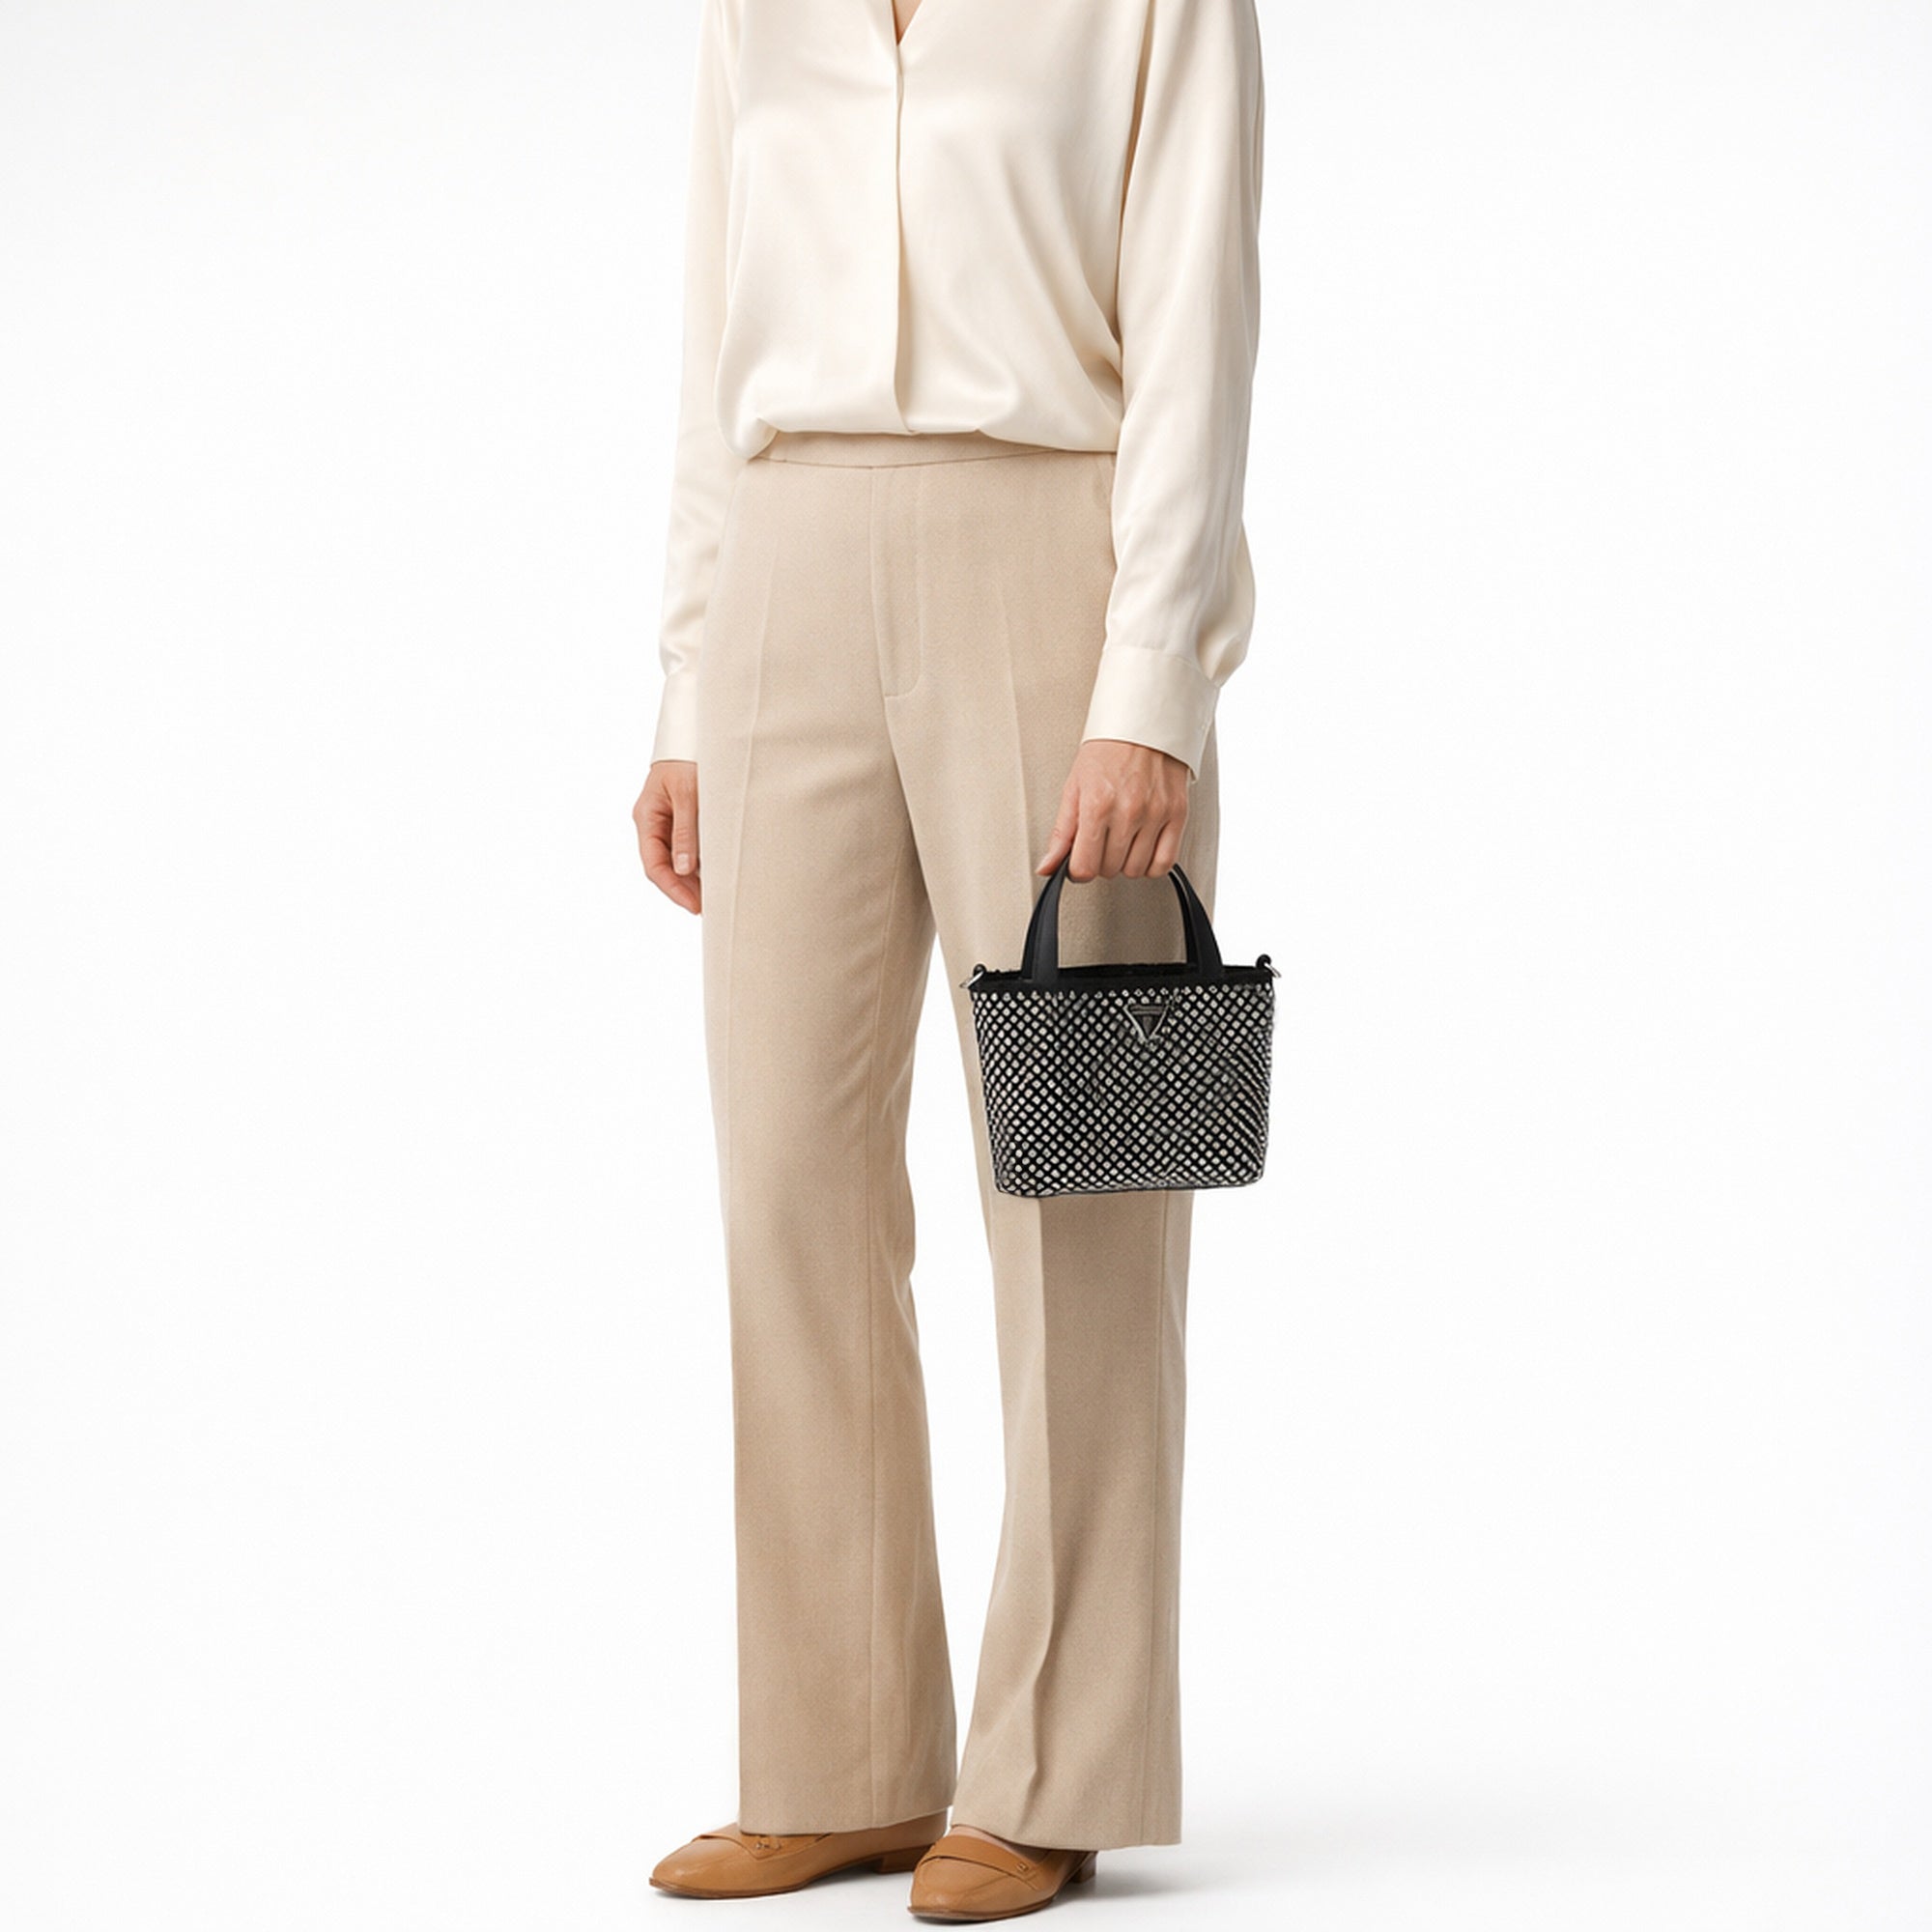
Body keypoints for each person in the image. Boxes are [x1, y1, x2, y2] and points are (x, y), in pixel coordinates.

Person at [631, 0, 1264, 1917]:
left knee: (1078, 1188)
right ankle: (840, 1760)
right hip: (786, 561)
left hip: (1045, 549)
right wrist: (686, 682)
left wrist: (1150, 682)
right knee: (789, 1183)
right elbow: (711, 337)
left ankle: (1054, 1768)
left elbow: (1197, 319)